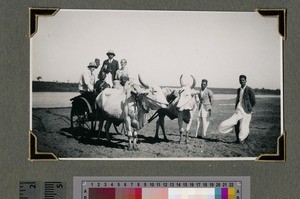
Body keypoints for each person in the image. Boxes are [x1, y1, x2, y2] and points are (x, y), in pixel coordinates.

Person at [218, 75, 256, 143]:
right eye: (240, 80)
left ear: (246, 81)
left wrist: (249, 108)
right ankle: (238, 139)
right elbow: (238, 99)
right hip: (238, 109)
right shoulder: (238, 90)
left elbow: (253, 101)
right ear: (239, 81)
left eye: (243, 80)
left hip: (246, 111)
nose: (242, 81)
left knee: (244, 125)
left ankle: (244, 140)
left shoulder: (249, 89)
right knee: (236, 124)